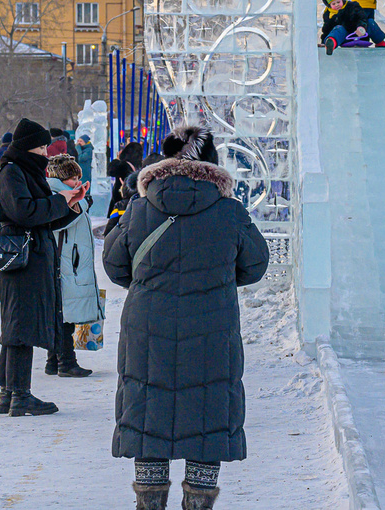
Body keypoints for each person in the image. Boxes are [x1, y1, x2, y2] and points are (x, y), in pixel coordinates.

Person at [104, 125, 269, 510]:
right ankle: (198, 503)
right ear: (212, 163)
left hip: (148, 326)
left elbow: (114, 265)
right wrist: (219, 278)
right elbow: (256, 264)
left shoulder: (140, 208)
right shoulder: (229, 211)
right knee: (207, 415)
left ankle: (149, 503)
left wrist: (150, 284)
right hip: (212, 328)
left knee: (148, 414)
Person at [0, 118, 87, 418]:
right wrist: (59, 199)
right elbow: (26, 212)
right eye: (42, 146)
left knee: (18, 322)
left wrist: (69, 205)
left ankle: (9, 393)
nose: (46, 152)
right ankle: (20, 394)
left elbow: (42, 216)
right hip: (22, 255)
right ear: (27, 146)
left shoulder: (24, 171)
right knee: (21, 324)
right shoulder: (12, 172)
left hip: (29, 252)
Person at [44, 154, 99, 378]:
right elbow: (59, 223)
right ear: (60, 178)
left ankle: (52, 360)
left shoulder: (67, 195)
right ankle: (66, 361)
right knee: (64, 312)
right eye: (72, 177)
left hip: (70, 261)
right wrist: (82, 201)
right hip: (65, 262)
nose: (77, 181)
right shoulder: (57, 196)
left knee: (64, 310)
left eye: (78, 177)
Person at [320, 0, 385, 55]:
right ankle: (331, 43)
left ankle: (380, 42)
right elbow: (326, 30)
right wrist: (323, 42)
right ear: (329, 5)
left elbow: (361, 16)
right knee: (338, 29)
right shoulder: (328, 14)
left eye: (338, 2)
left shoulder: (352, 6)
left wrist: (361, 26)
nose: (336, 5)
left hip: (360, 34)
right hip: (345, 38)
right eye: (333, 4)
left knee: (370, 22)